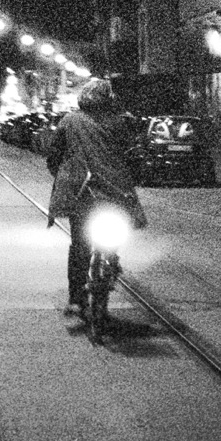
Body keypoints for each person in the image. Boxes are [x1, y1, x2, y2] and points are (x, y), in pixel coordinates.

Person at [46, 78, 147, 315]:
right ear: (109, 100)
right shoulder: (119, 123)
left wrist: (63, 176)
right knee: (113, 236)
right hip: (113, 193)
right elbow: (132, 156)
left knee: (79, 245)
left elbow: (54, 156)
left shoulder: (69, 121)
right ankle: (111, 260)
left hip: (81, 194)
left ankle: (75, 296)